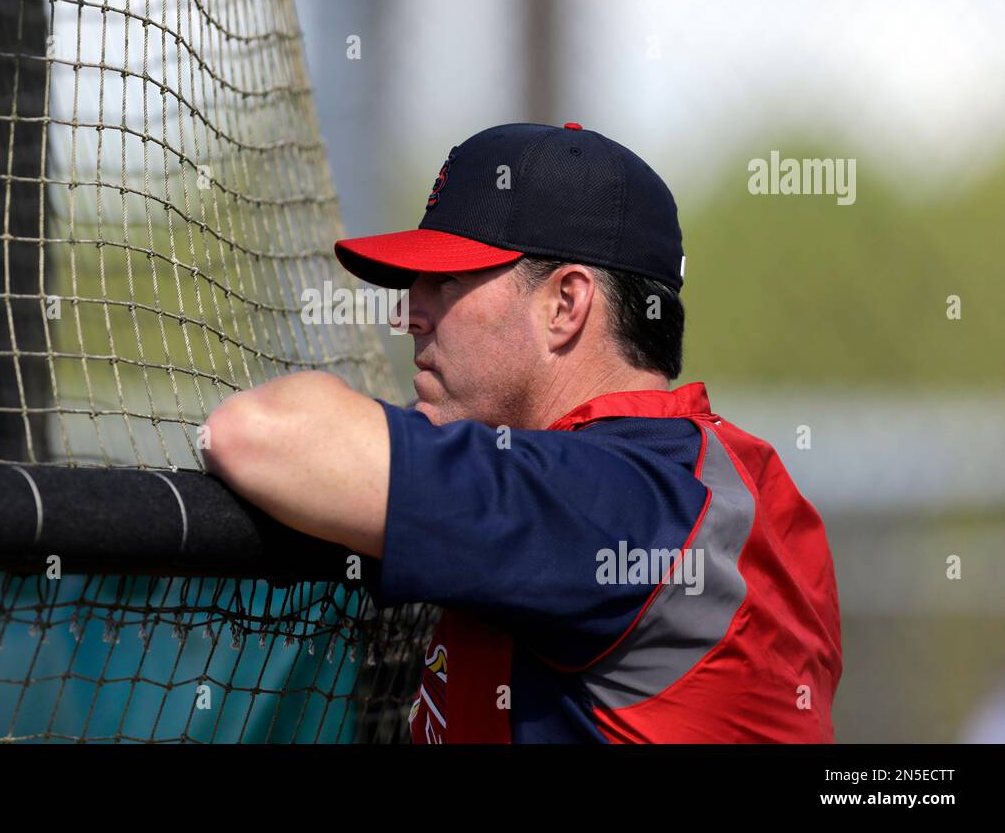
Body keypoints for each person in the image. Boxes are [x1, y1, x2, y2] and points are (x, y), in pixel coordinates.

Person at [203, 121, 843, 743]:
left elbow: (258, 433)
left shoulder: (612, 501)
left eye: (447, 279)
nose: (408, 314)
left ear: (566, 304)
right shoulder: (709, 475)